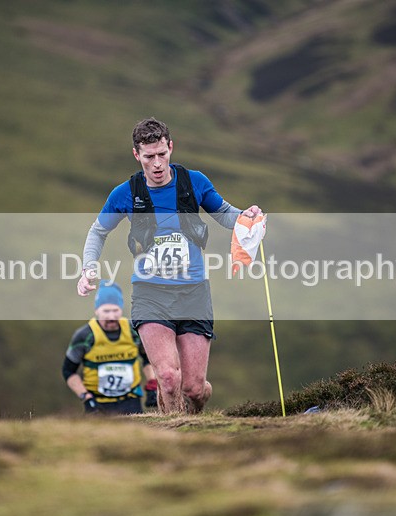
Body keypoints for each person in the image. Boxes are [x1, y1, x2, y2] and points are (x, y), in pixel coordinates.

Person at [77, 117, 261, 415]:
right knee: (168, 378)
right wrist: (88, 269)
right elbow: (98, 231)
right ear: (137, 155)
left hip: (194, 294)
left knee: (193, 389)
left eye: (162, 154)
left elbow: (225, 214)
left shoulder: (194, 182)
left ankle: (199, 401)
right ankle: (175, 438)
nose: (158, 163)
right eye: (149, 157)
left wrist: (247, 216)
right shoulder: (125, 193)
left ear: (170, 147)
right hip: (151, 294)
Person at [63, 281, 157, 414]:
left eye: (115, 310)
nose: (111, 316)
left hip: (131, 400)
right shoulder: (84, 335)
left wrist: (152, 384)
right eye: (106, 311)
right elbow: (68, 371)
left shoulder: (133, 330)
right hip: (97, 403)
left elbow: (148, 358)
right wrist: (85, 397)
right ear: (96, 310)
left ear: (121, 309)